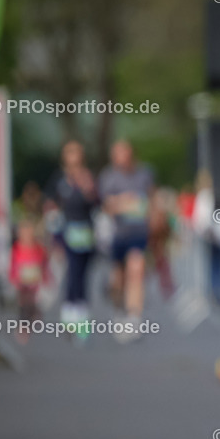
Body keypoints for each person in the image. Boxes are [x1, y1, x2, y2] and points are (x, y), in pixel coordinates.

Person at [97, 140, 154, 340]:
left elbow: (151, 200)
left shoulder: (144, 173)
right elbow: (105, 205)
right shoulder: (109, 177)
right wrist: (125, 202)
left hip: (138, 233)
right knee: (118, 278)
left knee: (136, 270)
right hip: (117, 234)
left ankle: (134, 317)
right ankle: (118, 310)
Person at [49, 140, 98, 330]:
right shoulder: (60, 179)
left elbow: (96, 202)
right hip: (67, 230)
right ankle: (70, 311)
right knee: (72, 270)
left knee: (84, 271)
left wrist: (88, 190)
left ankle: (82, 312)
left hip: (85, 230)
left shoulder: (88, 177)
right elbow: (51, 202)